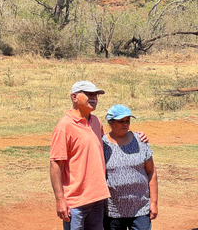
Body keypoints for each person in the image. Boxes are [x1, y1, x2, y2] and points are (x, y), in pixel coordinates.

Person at [50, 81, 109, 230]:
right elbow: (56, 164)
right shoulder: (64, 126)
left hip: (97, 198)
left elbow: (103, 145)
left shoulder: (96, 121)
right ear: (74, 97)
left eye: (95, 95)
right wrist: (60, 200)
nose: (94, 98)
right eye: (89, 94)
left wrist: (133, 136)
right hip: (75, 202)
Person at [102, 105, 158, 230]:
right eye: (120, 121)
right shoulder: (102, 144)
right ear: (111, 122)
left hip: (140, 208)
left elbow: (151, 172)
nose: (125, 124)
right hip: (113, 210)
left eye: (127, 121)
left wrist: (153, 203)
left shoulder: (140, 141)